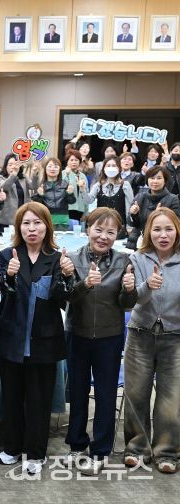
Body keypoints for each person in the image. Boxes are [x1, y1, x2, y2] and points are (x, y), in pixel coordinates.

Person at [0, 202, 74, 475]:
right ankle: (12, 447)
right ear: (18, 227)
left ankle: (36, 453)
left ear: (47, 226)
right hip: (11, 338)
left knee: (39, 401)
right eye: (26, 223)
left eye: (37, 223)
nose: (31, 228)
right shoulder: (7, 255)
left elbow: (64, 299)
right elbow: (0, 291)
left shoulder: (57, 257)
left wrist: (66, 276)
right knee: (12, 397)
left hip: (45, 340)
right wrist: (10, 275)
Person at [63, 208, 137, 475]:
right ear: (88, 229)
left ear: (117, 234)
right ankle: (76, 444)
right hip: (77, 334)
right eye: (98, 229)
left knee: (105, 395)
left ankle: (101, 450)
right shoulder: (71, 259)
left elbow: (127, 305)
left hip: (110, 336)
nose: (103, 236)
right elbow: (67, 298)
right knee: (79, 392)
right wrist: (85, 284)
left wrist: (130, 290)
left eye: (110, 231)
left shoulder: (124, 261)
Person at [124, 207, 180, 474]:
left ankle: (167, 451)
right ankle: (136, 449)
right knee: (136, 394)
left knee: (171, 399)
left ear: (177, 231)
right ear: (149, 232)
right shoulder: (137, 258)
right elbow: (132, 298)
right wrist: (148, 286)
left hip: (175, 337)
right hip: (140, 334)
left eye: (168, 228)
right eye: (157, 229)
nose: (163, 234)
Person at [127, 166, 180, 249]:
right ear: (147, 180)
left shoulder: (173, 199)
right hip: (139, 242)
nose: (155, 181)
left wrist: (161, 216)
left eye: (159, 178)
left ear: (165, 181)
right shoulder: (139, 196)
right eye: (152, 178)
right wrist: (134, 214)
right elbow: (132, 223)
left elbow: (176, 223)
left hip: (161, 243)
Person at [85, 155, 133, 239]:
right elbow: (89, 200)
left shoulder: (125, 185)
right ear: (103, 168)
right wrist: (82, 189)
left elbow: (129, 207)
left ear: (119, 168)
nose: (111, 168)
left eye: (114, 166)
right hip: (100, 225)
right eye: (108, 165)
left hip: (118, 227)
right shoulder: (98, 185)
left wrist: (129, 227)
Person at [32, 156, 76, 230]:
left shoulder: (65, 184)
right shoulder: (42, 185)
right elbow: (37, 205)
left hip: (62, 221)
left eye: (56, 167)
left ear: (59, 169)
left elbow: (72, 201)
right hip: (46, 220)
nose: (52, 169)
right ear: (45, 169)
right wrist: (40, 195)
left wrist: (70, 194)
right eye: (50, 166)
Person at [0, 155, 29, 231]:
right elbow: (4, 187)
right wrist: (14, 174)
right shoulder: (0, 177)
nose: (13, 167)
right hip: (6, 220)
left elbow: (33, 186)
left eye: (15, 164)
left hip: (23, 218)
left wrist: (35, 171)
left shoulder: (23, 178)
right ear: (5, 166)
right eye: (10, 165)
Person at [62, 150, 90, 222]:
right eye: (71, 160)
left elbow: (86, 195)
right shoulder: (62, 174)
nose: (74, 162)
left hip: (80, 210)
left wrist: (86, 212)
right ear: (67, 162)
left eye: (76, 160)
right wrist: (67, 174)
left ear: (80, 161)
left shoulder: (83, 176)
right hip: (66, 209)